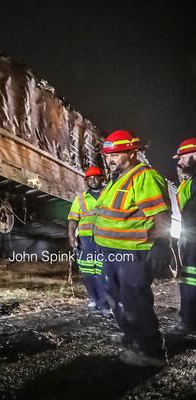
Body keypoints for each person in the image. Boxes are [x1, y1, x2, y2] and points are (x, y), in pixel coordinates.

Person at [93, 130, 171, 367]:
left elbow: (160, 215)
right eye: (107, 155)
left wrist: (161, 244)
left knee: (134, 299)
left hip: (132, 253)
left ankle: (151, 352)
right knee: (115, 297)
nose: (110, 159)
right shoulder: (117, 179)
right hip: (110, 251)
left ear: (132, 152)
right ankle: (132, 336)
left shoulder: (144, 177)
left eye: (116, 154)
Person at [67, 166, 111, 317]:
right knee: (87, 273)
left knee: (103, 271)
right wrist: (72, 237)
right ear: (86, 181)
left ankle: (104, 304)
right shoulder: (80, 198)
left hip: (105, 238)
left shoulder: (109, 193)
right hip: (85, 240)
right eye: (89, 178)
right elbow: (73, 219)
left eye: (96, 177)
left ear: (102, 178)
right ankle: (93, 298)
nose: (93, 180)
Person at [169, 137, 196, 336]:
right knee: (189, 280)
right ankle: (188, 320)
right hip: (190, 242)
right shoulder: (187, 184)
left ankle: (188, 322)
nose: (179, 162)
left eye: (183, 157)